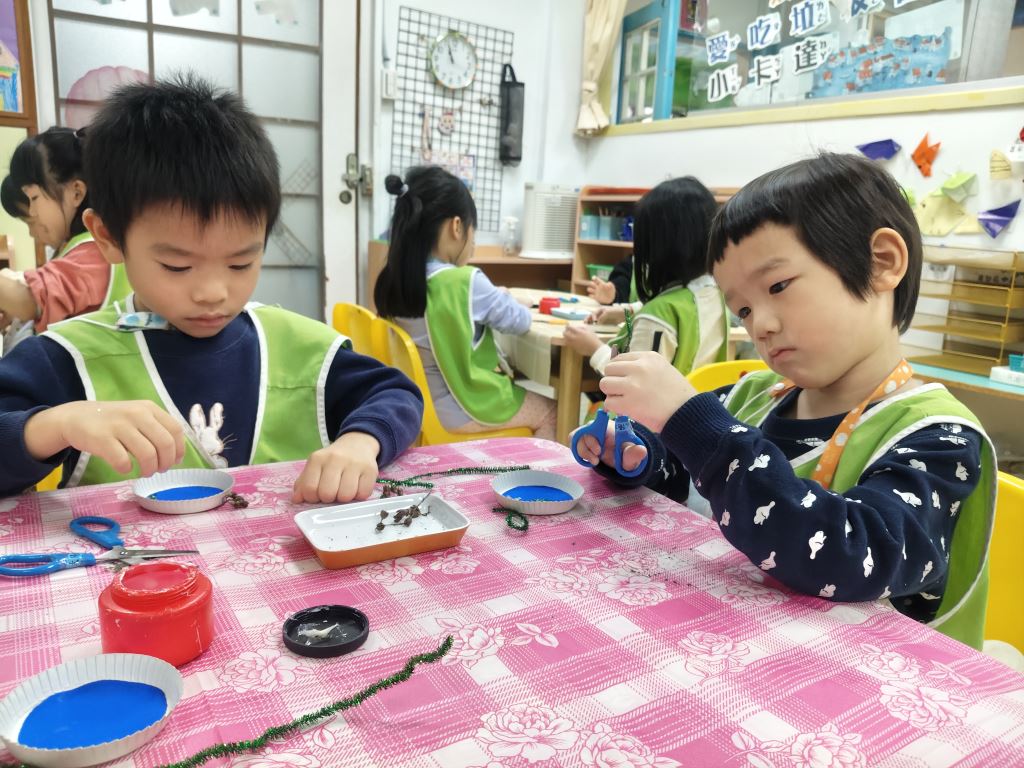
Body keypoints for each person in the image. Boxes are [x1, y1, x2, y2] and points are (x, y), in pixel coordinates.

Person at [576, 154, 995, 649]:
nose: (762, 326)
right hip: (737, 650)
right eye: (744, 309)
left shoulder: (938, 436)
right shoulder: (754, 396)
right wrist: (638, 456)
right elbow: (687, 474)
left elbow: (850, 554)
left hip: (869, 678)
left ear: (881, 262)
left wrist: (692, 422)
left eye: (778, 286)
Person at [0, 75, 423, 502]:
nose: (213, 292)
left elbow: (396, 394)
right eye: (177, 266)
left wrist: (360, 442)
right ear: (107, 237)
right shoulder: (68, 357)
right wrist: (53, 426)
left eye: (241, 262)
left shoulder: (296, 347)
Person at [374, 166, 556, 440]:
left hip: (417, 402)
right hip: (464, 406)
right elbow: (520, 321)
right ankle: (535, 469)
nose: (473, 244)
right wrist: (506, 298)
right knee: (552, 410)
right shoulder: (463, 281)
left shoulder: (392, 280)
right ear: (457, 227)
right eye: (474, 232)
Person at [563, 177, 728, 376]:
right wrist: (625, 312)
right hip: (697, 394)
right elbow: (683, 310)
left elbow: (633, 380)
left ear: (655, 246)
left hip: (655, 397)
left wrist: (594, 348)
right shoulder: (716, 295)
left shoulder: (657, 316)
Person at [0, 128, 130, 337]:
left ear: (76, 193)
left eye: (34, 198)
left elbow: (31, 299)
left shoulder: (96, 250)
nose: (32, 212)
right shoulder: (82, 245)